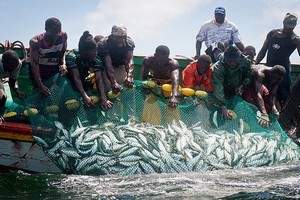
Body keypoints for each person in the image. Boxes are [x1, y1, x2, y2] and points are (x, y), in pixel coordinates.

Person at [255, 13, 300, 109]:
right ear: (283, 22)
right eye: (287, 26)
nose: (289, 29)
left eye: (291, 27)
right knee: (265, 95)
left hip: (284, 73)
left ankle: (286, 121)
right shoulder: (272, 34)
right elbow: (263, 50)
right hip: (270, 70)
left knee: (284, 98)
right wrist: (255, 63)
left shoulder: (295, 39)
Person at [66, 31, 113, 110]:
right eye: (93, 52)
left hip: (84, 79)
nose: (96, 53)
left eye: (96, 51)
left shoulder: (96, 58)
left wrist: (103, 98)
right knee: (70, 105)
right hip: (69, 82)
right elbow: (76, 78)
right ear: (85, 53)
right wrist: (84, 96)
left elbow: (99, 79)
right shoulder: (72, 56)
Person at [212, 45, 253, 119]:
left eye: (235, 61)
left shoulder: (245, 61)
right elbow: (218, 86)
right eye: (229, 61)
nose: (232, 63)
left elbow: (249, 76)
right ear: (224, 59)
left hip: (237, 91)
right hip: (222, 91)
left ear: (239, 58)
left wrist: (243, 86)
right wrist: (223, 106)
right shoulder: (218, 67)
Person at [29, 17, 68, 96]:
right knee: (41, 94)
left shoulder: (63, 36)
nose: (55, 36)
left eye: (58, 33)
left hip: (54, 70)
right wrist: (40, 85)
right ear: (46, 29)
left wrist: (63, 64)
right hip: (40, 71)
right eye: (53, 33)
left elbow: (62, 53)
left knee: (57, 94)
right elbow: (34, 64)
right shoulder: (36, 41)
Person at [98, 24, 135, 93]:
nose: (122, 40)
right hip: (106, 67)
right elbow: (108, 65)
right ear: (112, 36)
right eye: (119, 37)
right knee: (109, 85)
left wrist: (129, 76)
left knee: (128, 86)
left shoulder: (129, 42)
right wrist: (113, 82)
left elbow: (129, 60)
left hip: (121, 65)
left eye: (124, 37)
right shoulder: (103, 44)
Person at [0, 50, 26, 123]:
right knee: (1, 96)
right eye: (11, 66)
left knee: (3, 98)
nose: (13, 68)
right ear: (3, 62)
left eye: (15, 65)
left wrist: (16, 91)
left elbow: (12, 81)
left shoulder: (18, 64)